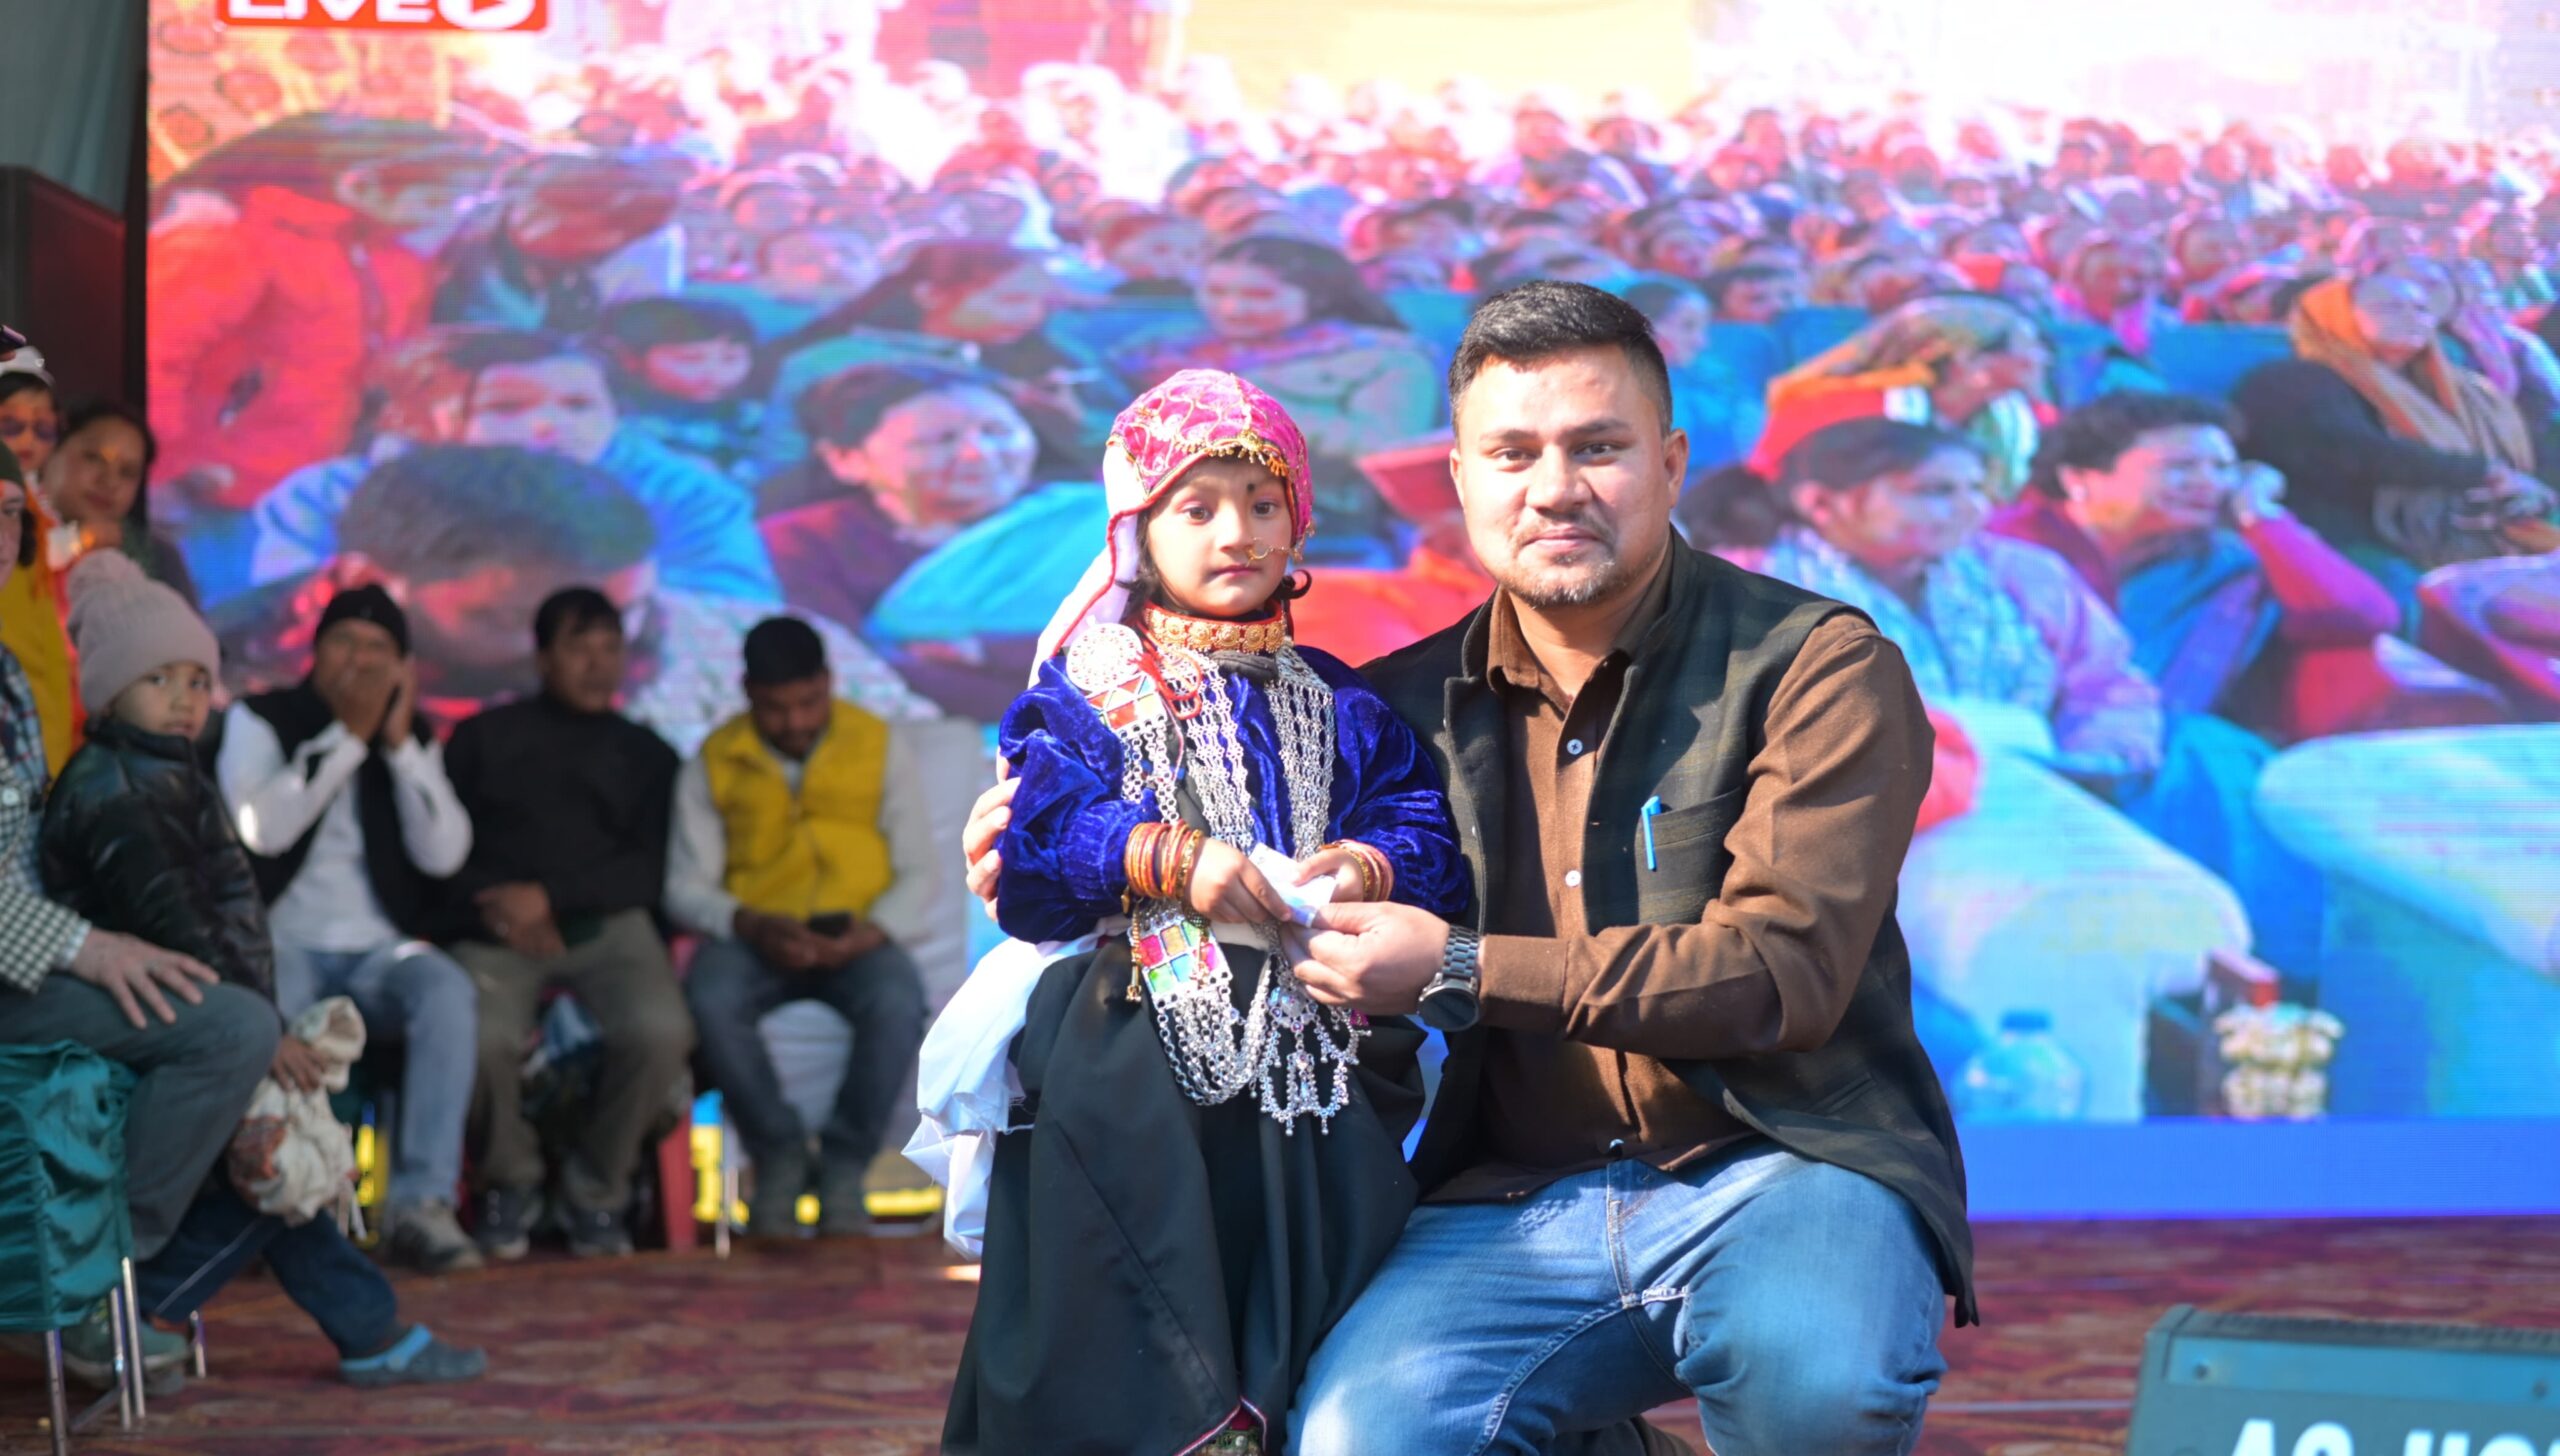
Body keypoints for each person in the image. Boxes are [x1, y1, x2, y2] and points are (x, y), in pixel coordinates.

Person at [964, 288, 1972, 1453]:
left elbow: (1778, 974)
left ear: (1670, 463)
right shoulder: (1391, 708)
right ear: (1460, 477)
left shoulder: (1812, 666)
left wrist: (1457, 964)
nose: (1554, 489)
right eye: (1512, 453)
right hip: (1515, 1195)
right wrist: (1052, 846)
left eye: (1597, 448)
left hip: (1786, 1158)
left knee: (1819, 1387)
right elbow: (1187, 835)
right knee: (1358, 1440)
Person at [939, 369, 1466, 1456]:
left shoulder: (1341, 697)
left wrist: (1363, 863)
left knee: (1331, 1298)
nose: (1238, 533)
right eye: (1198, 507)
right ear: (1137, 530)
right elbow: (1037, 850)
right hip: (1134, 1037)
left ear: (1299, 521)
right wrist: (1172, 859)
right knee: (1134, 1280)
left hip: (1323, 1039)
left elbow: (1425, 833)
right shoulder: (1085, 686)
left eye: (1264, 504)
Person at [36, 551, 483, 1390]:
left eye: (196, 681)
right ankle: (162, 1301)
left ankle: (379, 1291)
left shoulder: (165, 770)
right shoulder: (140, 778)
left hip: (226, 988)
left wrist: (394, 743)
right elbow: (185, 905)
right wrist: (256, 1029)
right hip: (178, 1002)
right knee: (273, 1161)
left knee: (282, 1152)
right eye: (159, 680)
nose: (184, 699)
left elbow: (445, 853)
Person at [1711, 416, 2325, 979]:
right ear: (1822, 503)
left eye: (1975, 489)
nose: (1969, 509)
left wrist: (2097, 760)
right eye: (1935, 492)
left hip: (2048, 783)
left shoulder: (2020, 571)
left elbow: (2108, 684)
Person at [0, 465, 275, 1392]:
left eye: (12, 515)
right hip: (21, 970)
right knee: (234, 1030)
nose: (2, 535)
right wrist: (88, 946)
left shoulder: (7, 673)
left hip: (28, 962)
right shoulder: (116, 774)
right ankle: (90, 1285)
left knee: (238, 1028)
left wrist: (89, 942)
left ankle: (94, 1277)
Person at [216, 445, 927, 758]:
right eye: (521, 623)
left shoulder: (743, 642)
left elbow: (927, 770)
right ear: (368, 582)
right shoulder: (223, 679)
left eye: (628, 614)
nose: (597, 652)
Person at [216, 583, 483, 1274]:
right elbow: (262, 830)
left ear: (403, 668)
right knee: (275, 1013)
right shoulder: (261, 719)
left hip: (378, 947)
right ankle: (281, 1206)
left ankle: (422, 1204)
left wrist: (397, 748)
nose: (359, 662)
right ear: (315, 651)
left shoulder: (409, 737)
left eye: (377, 649)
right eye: (344, 643)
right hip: (283, 939)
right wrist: (347, 738)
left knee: (447, 992)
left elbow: (444, 853)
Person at [443, 587, 692, 1261]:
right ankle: (509, 1183)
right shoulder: (484, 739)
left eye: (611, 649)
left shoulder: (648, 754)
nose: (597, 665)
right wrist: (500, 907)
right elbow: (438, 853)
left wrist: (552, 897)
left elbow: (650, 870)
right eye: (580, 648)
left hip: (609, 926)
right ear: (543, 658)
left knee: (660, 1031)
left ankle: (598, 1191)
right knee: (477, 1034)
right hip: (498, 927)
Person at [667, 617, 935, 1239]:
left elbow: (920, 869)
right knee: (710, 996)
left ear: (829, 682)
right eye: (775, 708)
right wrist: (750, 924)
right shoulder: (713, 759)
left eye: (808, 703)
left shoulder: (878, 744)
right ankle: (778, 1153)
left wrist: (870, 934)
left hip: (857, 935)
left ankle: (844, 1165)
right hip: (755, 937)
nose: (793, 722)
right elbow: (684, 887)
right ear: (746, 692)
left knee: (898, 1000)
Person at [244, 328, 780, 606]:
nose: (549, 427)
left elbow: (731, 607)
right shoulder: (329, 494)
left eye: (579, 406)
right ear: (418, 419)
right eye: (505, 408)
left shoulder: (686, 492)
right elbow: (288, 604)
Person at [1988, 393, 2400, 735]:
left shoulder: (2220, 561)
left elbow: (2364, 615)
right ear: (2078, 479)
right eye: (2181, 467)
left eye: (2223, 468)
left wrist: (2260, 514)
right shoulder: (2006, 551)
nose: (2211, 484)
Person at [145, 120, 496, 508]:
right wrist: (164, 468)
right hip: (200, 482)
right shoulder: (236, 240)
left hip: (299, 484)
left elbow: (389, 370)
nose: (451, 205)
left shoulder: (400, 263)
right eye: (438, 191)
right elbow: (152, 354)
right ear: (363, 183)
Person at [759, 363, 1100, 719]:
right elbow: (849, 672)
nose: (978, 453)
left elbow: (1126, 648)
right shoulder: (798, 543)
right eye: (942, 440)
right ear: (846, 459)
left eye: (998, 431)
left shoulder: (1094, 519)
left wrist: (985, 653)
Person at [2231, 272, 2559, 623]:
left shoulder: (2461, 388)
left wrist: (2530, 487)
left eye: (2421, 308)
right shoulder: (2293, 380)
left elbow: (2530, 443)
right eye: (2389, 307)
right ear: (2335, 314)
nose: (2412, 317)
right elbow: (2352, 451)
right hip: (2358, 536)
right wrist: (2482, 473)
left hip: (2482, 525)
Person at [1116, 236, 1443, 561]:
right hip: (1161, 500)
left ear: (1316, 297)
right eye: (1215, 292)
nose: (1231, 309)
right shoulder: (1163, 348)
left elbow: (1385, 447)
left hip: (1318, 519)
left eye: (1259, 295)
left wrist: (1244, 409)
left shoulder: (1386, 357)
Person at [1754, 294, 2053, 500]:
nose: (2044, 359)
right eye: (2027, 347)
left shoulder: (2024, 418)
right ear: (1967, 360)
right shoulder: (1835, 409)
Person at [597, 297, 768, 487]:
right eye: (690, 359)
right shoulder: (616, 417)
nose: (714, 373)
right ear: (631, 359)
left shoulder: (753, 417)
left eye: (730, 359)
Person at [0, 367, 78, 775]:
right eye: (10, 424)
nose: (28, 439)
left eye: (43, 428)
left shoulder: (38, 506)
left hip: (43, 700)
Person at [41, 403, 199, 605]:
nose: (109, 482)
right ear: (49, 451)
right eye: (93, 459)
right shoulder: (12, 533)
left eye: (127, 472)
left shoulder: (160, 558)